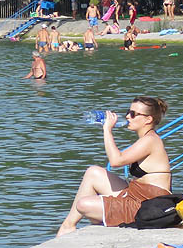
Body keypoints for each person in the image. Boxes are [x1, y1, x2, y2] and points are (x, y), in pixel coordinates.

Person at [56, 97, 172, 236]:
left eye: (133, 114)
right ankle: (68, 226)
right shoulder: (147, 138)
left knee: (83, 205)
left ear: (148, 120)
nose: (128, 117)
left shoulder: (150, 140)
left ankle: (94, 221)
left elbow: (116, 161)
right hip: (135, 195)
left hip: (147, 207)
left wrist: (107, 130)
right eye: (128, 112)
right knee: (93, 172)